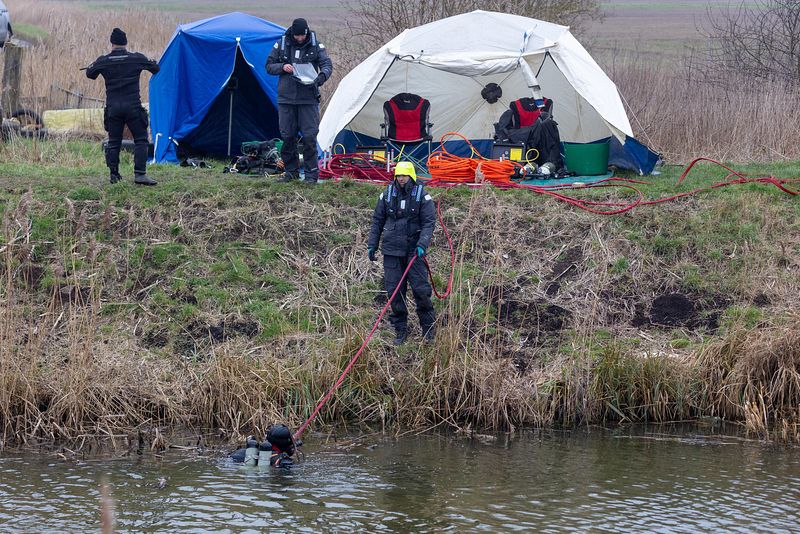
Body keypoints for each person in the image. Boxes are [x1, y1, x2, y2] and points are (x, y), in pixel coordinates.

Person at [367, 162, 437, 345]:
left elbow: (429, 223)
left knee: (421, 291)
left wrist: (422, 244)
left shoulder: (423, 196)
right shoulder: (386, 195)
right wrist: (372, 244)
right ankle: (400, 330)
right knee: (395, 293)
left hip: (414, 252)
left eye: (405, 175)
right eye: (399, 175)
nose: (401, 178)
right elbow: (377, 221)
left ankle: (428, 329)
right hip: (391, 251)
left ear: (412, 176)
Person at [86, 28, 159, 186]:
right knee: (141, 140)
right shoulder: (136, 58)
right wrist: (151, 61)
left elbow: (90, 74)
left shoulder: (103, 60)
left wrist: (94, 65)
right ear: (125, 43)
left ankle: (114, 175)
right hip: (132, 106)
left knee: (114, 142)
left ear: (111, 43)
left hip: (113, 107)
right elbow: (155, 69)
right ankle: (140, 175)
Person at [265, 18, 333, 185]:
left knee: (309, 137)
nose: (300, 39)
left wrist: (320, 78)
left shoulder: (316, 45)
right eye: (297, 36)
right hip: (286, 100)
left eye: (302, 36)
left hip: (308, 99)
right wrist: (282, 67)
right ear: (292, 33)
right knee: (288, 137)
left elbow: (327, 65)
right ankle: (291, 172)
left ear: (306, 33)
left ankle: (311, 175)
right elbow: (268, 65)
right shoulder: (281, 44)